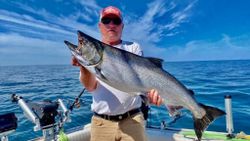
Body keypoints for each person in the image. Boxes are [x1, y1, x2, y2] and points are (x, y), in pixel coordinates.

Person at [72, 6, 163, 141]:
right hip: (101, 123)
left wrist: (152, 95)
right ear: (100, 25)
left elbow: (142, 81)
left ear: (122, 26)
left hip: (133, 120)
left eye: (116, 21)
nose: (111, 25)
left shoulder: (133, 47)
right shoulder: (95, 59)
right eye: (106, 20)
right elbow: (90, 87)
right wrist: (84, 66)